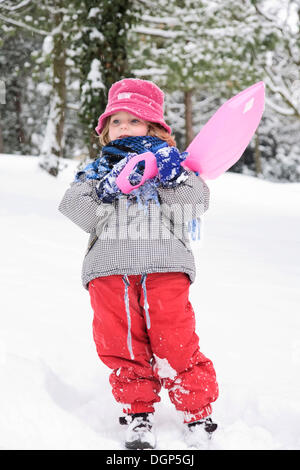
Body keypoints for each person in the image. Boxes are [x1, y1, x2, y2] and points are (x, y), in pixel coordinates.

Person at [58, 78, 219, 449]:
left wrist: (171, 176)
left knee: (174, 341)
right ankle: (138, 414)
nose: (125, 127)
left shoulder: (174, 168)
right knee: (121, 345)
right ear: (106, 130)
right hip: (109, 271)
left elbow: (194, 208)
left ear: (153, 126)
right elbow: (76, 211)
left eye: (134, 120)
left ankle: (197, 412)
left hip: (164, 267)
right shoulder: (96, 171)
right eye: (117, 121)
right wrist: (106, 188)